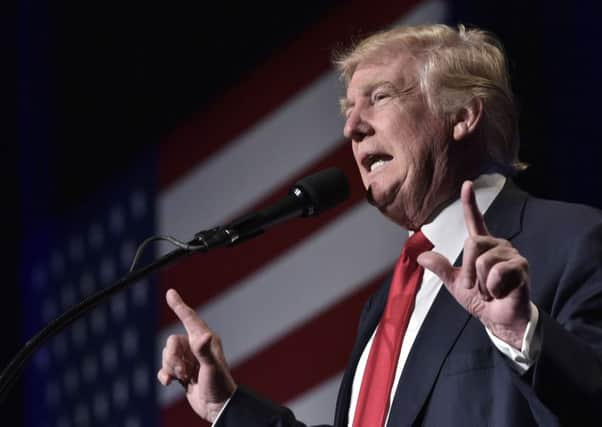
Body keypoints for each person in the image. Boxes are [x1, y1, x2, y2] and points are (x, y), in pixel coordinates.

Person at [157, 24, 602, 426]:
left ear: (463, 115)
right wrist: (225, 406)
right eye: (348, 109)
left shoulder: (570, 240)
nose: (351, 127)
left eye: (381, 96)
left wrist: (523, 334)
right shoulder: (384, 305)